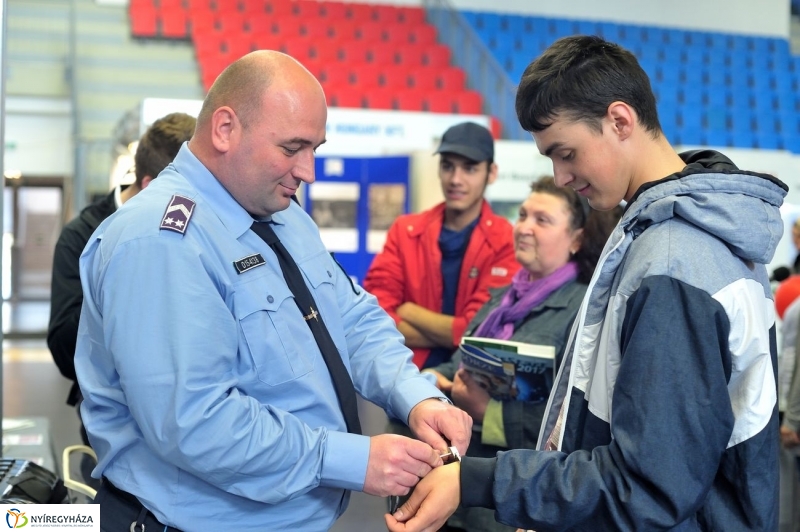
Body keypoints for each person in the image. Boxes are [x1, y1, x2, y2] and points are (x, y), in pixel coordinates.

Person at [386, 34, 784, 532]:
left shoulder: (673, 258)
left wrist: (478, 481)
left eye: (567, 153)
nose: (562, 175)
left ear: (619, 120)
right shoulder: (680, 238)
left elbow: (647, 486)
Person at [74, 51, 471, 531]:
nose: (308, 171)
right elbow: (195, 421)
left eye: (315, 150)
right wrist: (350, 458)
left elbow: (350, 318)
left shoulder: (283, 215)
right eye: (292, 148)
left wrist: (415, 396)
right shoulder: (161, 241)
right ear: (225, 129)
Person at [426, 177, 622, 532]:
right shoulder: (501, 300)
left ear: (577, 239)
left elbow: (573, 427)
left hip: (509, 503)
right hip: (457, 492)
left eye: (541, 220)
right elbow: (458, 363)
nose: (524, 229)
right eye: (522, 216)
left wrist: (490, 412)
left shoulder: (585, 312)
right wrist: (430, 384)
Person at [47, 111, 197, 448]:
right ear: (150, 187)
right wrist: (120, 274)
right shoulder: (82, 235)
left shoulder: (192, 225)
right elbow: (62, 348)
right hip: (115, 426)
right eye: (188, 194)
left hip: (189, 415)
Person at [363, 122, 519, 370]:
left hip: (472, 377)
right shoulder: (406, 231)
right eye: (448, 166)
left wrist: (411, 311)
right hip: (407, 374)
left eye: (469, 169)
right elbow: (377, 312)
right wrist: (452, 336)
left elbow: (480, 327)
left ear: (491, 173)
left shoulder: (506, 240)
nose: (456, 179)